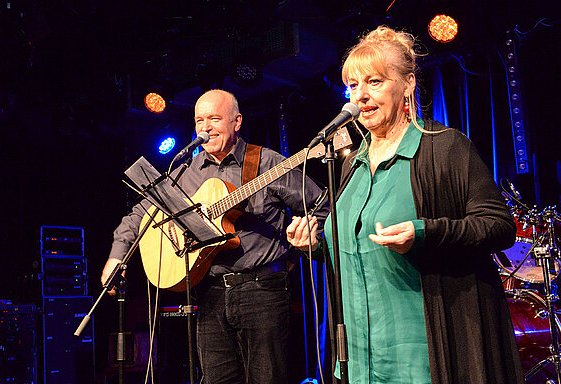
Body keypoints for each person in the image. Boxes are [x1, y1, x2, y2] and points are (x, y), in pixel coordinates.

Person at [287, 26, 524, 383]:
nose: (360, 97)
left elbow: (499, 225)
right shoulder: (352, 165)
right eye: (353, 85)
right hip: (358, 360)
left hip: (423, 357)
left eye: (375, 82)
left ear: (408, 84)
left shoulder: (444, 147)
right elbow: (356, 247)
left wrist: (425, 232)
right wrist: (316, 244)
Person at [101, 89, 328, 383]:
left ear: (237, 122)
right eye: (199, 120)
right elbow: (139, 216)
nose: (205, 128)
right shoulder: (185, 171)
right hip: (208, 293)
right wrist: (116, 256)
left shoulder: (267, 162)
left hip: (263, 290)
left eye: (214, 119)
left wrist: (307, 241)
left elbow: (322, 205)